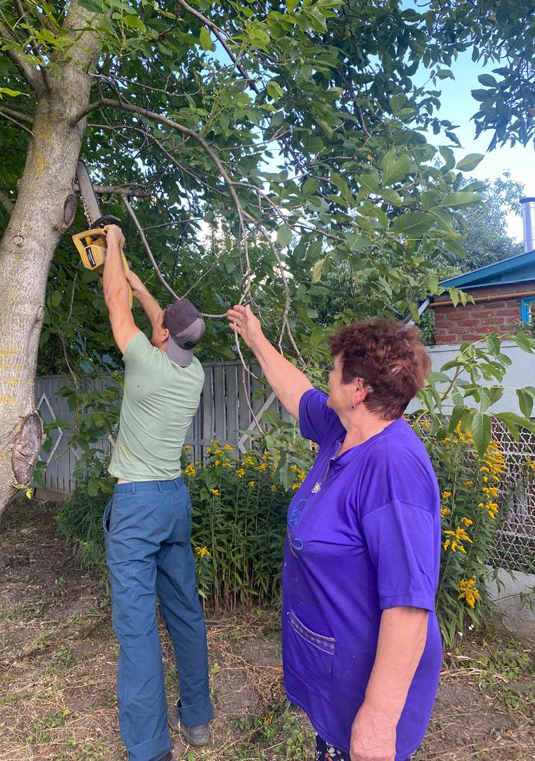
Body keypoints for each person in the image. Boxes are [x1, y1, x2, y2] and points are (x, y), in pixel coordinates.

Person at [227, 304, 442, 761]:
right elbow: (296, 390)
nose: (327, 375)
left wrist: (379, 722)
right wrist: (256, 337)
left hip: (365, 698)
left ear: (359, 389)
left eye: (335, 369)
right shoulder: (342, 430)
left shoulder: (393, 467)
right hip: (336, 676)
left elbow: (408, 607)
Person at [102, 224, 213, 761]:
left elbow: (113, 301)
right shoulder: (193, 375)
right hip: (174, 502)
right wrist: (149, 294)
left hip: (139, 506)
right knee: (185, 611)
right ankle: (197, 718)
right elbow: (156, 325)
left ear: (164, 338)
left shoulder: (143, 363)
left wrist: (116, 246)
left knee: (138, 629)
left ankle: (149, 749)